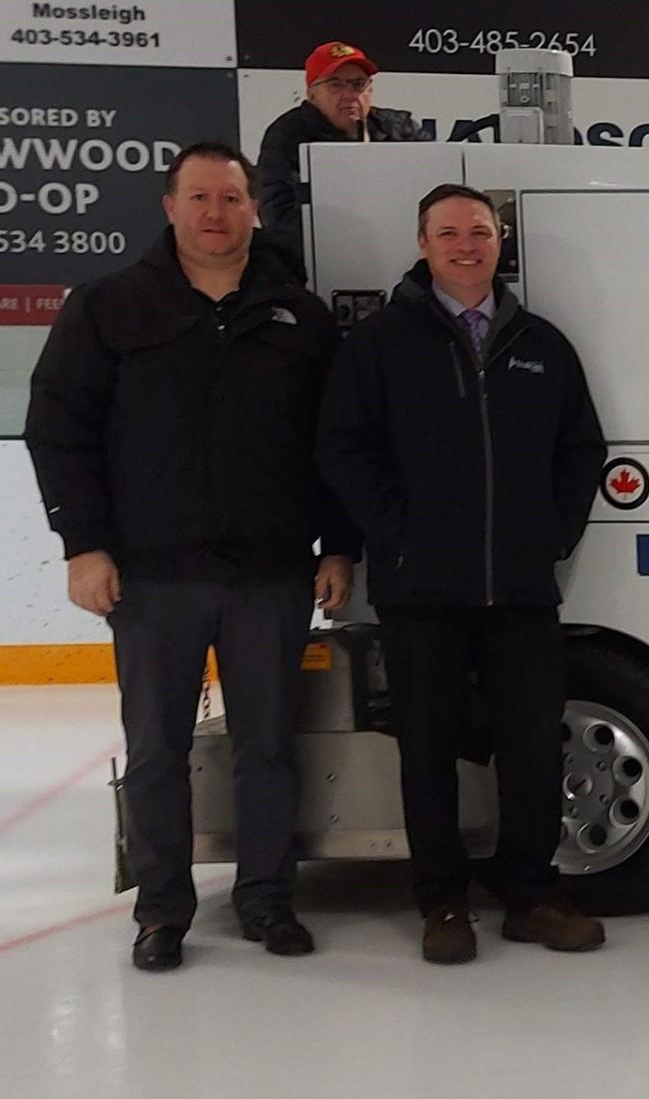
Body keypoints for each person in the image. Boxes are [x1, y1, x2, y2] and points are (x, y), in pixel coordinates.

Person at [24, 142, 355, 971]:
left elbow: (337, 444)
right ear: (169, 206)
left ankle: (268, 899)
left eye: (233, 199)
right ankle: (161, 909)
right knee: (157, 752)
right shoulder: (107, 307)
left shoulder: (300, 317)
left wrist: (340, 545)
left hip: (270, 572)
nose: (217, 214)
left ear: (254, 209)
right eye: (200, 198)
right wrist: (83, 546)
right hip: (149, 575)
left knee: (269, 748)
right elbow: (59, 429)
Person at [317, 184, 608, 964]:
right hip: (421, 592)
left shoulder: (542, 342)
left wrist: (551, 532)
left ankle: (530, 895)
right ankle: (442, 903)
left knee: (532, 749)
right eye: (448, 233)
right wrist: (396, 534)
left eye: (479, 232)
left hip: (519, 590)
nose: (466, 246)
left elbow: (583, 448)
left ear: (499, 242)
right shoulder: (380, 343)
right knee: (428, 750)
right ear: (422, 244)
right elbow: (343, 448)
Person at [258, 41, 429, 273]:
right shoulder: (286, 137)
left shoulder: (400, 128)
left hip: (403, 258)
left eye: (358, 84)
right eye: (335, 84)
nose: (349, 95)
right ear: (312, 93)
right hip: (317, 268)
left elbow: (436, 192)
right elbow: (279, 218)